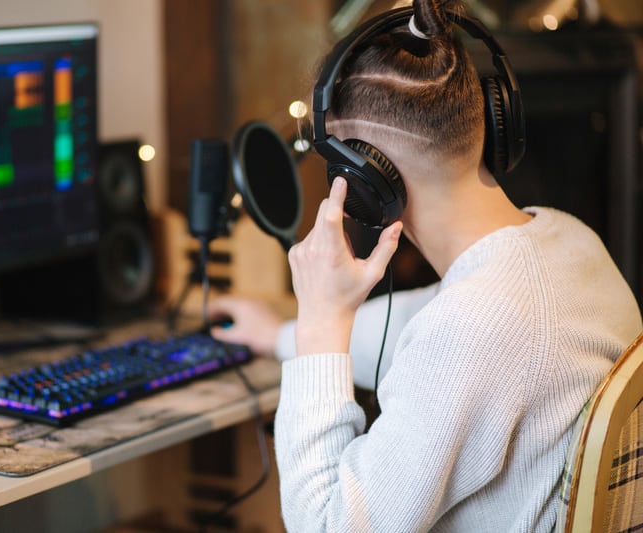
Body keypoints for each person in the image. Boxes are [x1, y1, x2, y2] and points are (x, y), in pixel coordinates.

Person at [208, 0, 643, 530]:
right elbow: (421, 324)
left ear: (370, 181)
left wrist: (321, 324)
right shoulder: (569, 242)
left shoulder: (470, 327)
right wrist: (282, 335)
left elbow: (324, 524)